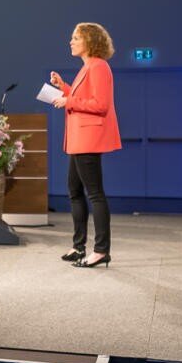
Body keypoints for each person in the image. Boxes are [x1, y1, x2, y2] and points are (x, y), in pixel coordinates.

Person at [53, 21, 121, 267]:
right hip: (78, 139)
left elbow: (100, 105)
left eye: (75, 38)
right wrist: (64, 88)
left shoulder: (99, 66)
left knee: (95, 194)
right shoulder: (86, 68)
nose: (71, 41)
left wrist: (68, 102)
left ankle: (101, 250)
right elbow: (82, 97)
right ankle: (78, 246)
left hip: (88, 139)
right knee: (74, 191)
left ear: (90, 41)